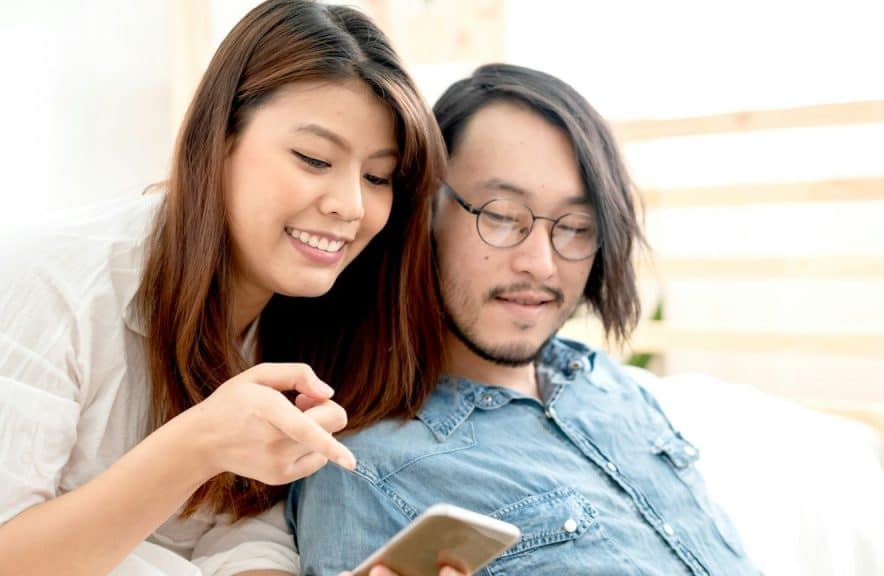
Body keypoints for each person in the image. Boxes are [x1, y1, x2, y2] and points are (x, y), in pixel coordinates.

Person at [0, 1, 455, 574]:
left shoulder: (314, 324)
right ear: (220, 139)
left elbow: (239, 534)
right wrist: (199, 444)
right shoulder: (52, 282)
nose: (351, 205)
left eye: (377, 177)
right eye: (314, 159)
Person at [287, 64, 763, 575]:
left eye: (577, 226)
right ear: (423, 210)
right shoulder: (364, 469)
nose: (540, 263)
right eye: (500, 215)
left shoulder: (612, 387)